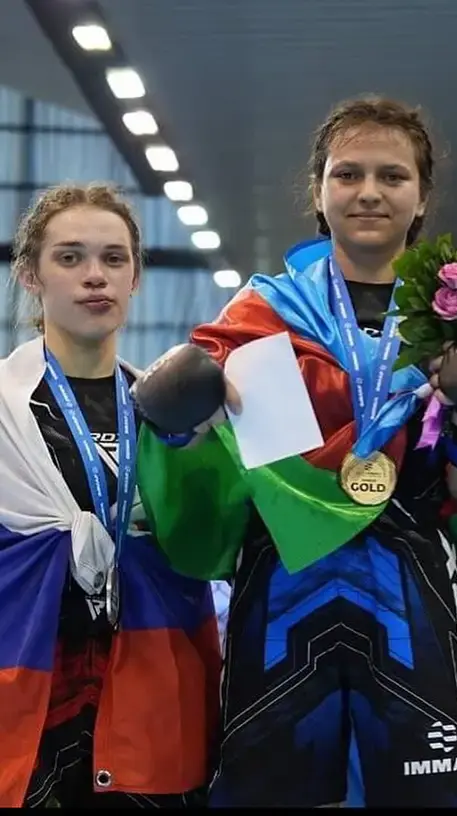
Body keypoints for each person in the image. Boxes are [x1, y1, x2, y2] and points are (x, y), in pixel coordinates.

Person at [131, 96, 457, 808]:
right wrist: (173, 426)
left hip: (412, 585)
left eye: (392, 175)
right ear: (318, 192)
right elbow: (202, 456)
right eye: (348, 174)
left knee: (433, 797)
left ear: (422, 197)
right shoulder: (258, 316)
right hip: (283, 587)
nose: (369, 191)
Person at [0, 184, 221, 808]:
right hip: (29, 703)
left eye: (113, 258)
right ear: (31, 275)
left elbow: (209, 546)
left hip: (153, 698)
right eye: (69, 257)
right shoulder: (4, 413)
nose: (94, 275)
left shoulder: (172, 417)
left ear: (135, 278)